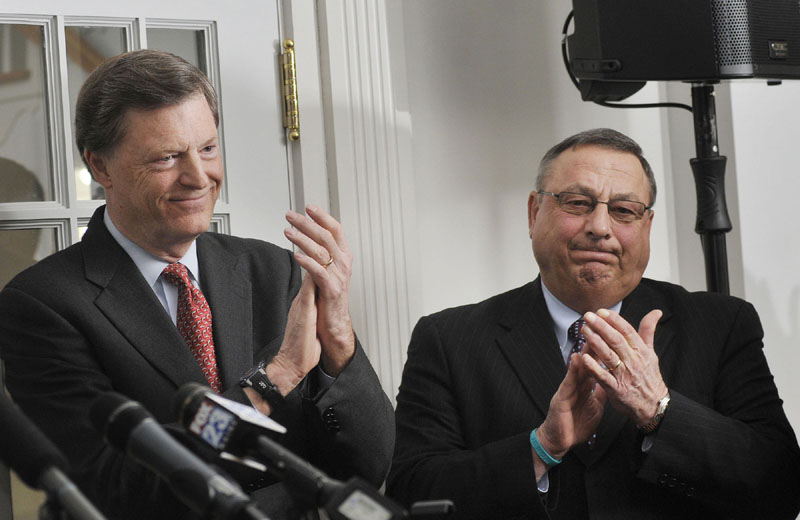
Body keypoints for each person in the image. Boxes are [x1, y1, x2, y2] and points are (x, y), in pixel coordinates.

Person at [0, 50, 394, 520]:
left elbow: (369, 466)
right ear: (100, 167)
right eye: (167, 157)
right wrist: (273, 380)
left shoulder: (273, 269)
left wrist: (340, 341)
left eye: (207, 149)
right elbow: (111, 488)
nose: (198, 177)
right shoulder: (42, 304)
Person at [387, 128, 800, 519]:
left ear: (647, 226)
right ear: (534, 213)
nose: (600, 228)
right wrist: (541, 447)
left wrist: (659, 410)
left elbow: (781, 490)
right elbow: (411, 496)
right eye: (577, 203)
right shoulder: (448, 339)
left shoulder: (721, 325)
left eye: (624, 210)